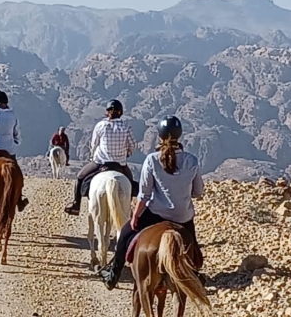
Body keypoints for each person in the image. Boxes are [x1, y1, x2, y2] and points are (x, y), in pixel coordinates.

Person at [98, 115, 204, 290]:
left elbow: (144, 194)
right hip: (183, 217)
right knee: (195, 250)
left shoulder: (152, 160)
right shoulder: (192, 160)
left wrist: (135, 218)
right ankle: (194, 274)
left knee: (125, 235)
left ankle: (112, 275)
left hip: (156, 215)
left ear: (160, 136)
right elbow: (198, 191)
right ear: (179, 135)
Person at [64, 99, 136, 216]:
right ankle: (128, 208)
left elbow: (94, 144)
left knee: (80, 177)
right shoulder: (126, 126)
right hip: (120, 164)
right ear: (120, 112)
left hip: (101, 162)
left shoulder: (100, 125)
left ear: (107, 112)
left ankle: (76, 205)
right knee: (130, 183)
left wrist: (93, 155)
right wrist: (127, 153)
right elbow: (133, 145)